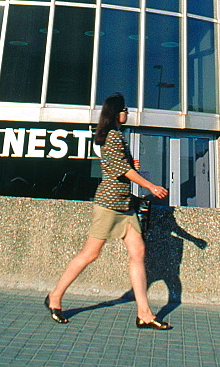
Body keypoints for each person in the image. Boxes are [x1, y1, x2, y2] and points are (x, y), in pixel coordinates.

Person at [45, 93, 171, 330]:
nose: (127, 113)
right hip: (109, 205)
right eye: (125, 109)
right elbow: (121, 170)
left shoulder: (116, 137)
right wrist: (150, 186)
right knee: (90, 254)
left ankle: (144, 313)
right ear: (116, 112)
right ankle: (55, 296)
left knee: (138, 252)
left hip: (125, 205)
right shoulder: (112, 136)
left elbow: (118, 165)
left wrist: (130, 165)